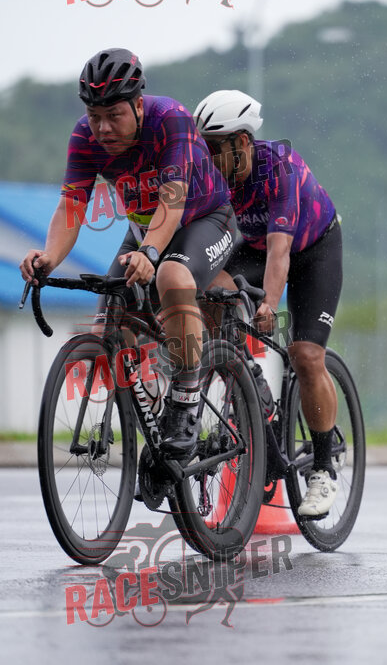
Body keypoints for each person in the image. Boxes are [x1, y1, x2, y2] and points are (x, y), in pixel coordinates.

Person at [19, 48, 235, 458]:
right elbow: (72, 206)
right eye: (94, 116)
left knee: (172, 276)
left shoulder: (170, 119)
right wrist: (49, 257)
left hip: (203, 220)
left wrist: (150, 253)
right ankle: (152, 419)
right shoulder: (84, 138)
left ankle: (186, 398)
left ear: (138, 105)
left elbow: (172, 200)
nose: (102, 127)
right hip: (142, 230)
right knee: (109, 329)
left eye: (114, 115)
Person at [193, 89, 343, 518]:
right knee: (208, 288)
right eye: (203, 149)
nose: (208, 160)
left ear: (242, 142)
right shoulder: (208, 175)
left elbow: (282, 253)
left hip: (313, 251)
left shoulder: (279, 167)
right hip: (255, 249)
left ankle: (323, 468)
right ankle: (246, 376)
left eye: (215, 149)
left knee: (305, 355)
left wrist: (268, 305)